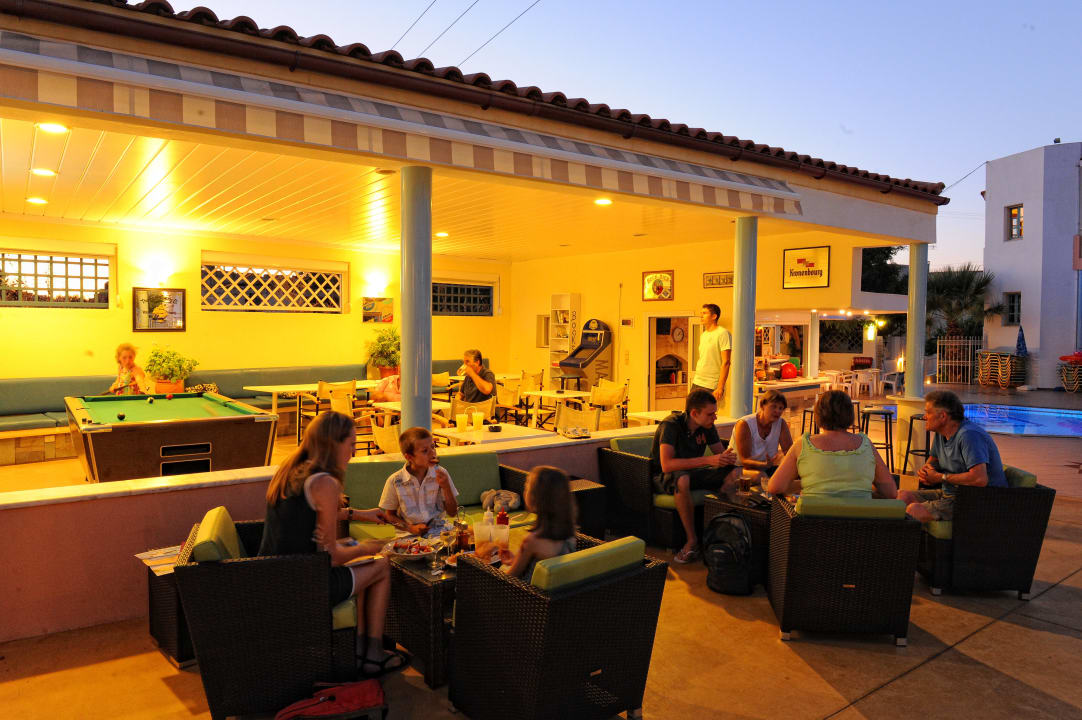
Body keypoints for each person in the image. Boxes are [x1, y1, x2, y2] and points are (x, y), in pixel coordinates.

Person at [258, 411, 407, 678]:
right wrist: (370, 546)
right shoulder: (325, 482)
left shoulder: (292, 469)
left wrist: (358, 515)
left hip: (273, 574)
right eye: (351, 444)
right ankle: (373, 655)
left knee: (362, 561)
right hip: (303, 584)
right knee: (382, 565)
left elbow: (307, 516)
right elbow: (332, 558)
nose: (353, 452)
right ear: (333, 443)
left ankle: (359, 651)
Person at [650, 388, 740, 564]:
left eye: (715, 413)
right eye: (710, 414)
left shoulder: (707, 427)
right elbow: (667, 465)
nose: (715, 418)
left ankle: (720, 534)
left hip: (693, 473)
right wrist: (708, 460)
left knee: (736, 473)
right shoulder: (671, 425)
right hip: (663, 476)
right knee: (683, 479)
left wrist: (729, 459)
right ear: (694, 413)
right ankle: (692, 541)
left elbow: (720, 454)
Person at [898, 390, 1007, 522]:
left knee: (914, 510)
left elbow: (980, 479)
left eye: (928, 412)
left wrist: (940, 477)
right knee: (902, 496)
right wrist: (926, 472)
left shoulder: (968, 435)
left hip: (978, 500)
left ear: (943, 416)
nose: (925, 417)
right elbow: (933, 461)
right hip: (951, 494)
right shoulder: (941, 433)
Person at [768, 390, 897, 500]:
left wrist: (806, 484)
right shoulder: (865, 445)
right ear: (850, 414)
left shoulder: (803, 444)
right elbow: (891, 493)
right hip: (859, 520)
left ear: (818, 414)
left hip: (813, 520)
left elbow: (774, 487)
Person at [475, 465, 577, 581]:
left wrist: (479, 564)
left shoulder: (532, 541)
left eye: (527, 487)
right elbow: (538, 564)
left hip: (523, 590)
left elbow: (510, 577)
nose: (524, 490)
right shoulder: (568, 535)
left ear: (535, 497)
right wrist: (515, 559)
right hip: (556, 589)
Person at [378, 427, 459, 537]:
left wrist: (446, 487)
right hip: (408, 536)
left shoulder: (441, 473)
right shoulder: (395, 481)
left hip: (439, 532)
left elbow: (453, 512)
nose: (432, 453)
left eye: (433, 447)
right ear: (409, 457)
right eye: (425, 451)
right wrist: (410, 528)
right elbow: (389, 516)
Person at [729, 390, 793, 478]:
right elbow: (745, 460)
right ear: (762, 405)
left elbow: (789, 452)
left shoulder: (781, 423)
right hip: (739, 468)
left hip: (767, 468)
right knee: (761, 476)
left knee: (793, 473)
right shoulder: (744, 424)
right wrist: (765, 464)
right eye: (774, 407)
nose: (777, 411)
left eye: (781, 408)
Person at [690, 304, 732, 403]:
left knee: (706, 411)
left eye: (704, 313)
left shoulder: (723, 333)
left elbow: (726, 362)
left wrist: (720, 387)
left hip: (711, 383)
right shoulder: (704, 335)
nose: (701, 315)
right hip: (697, 380)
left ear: (714, 316)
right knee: (691, 410)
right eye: (701, 313)